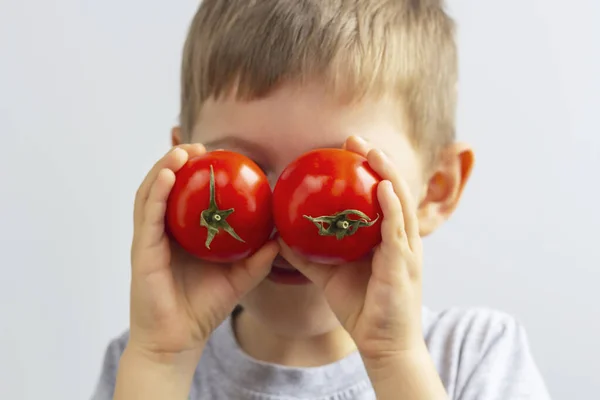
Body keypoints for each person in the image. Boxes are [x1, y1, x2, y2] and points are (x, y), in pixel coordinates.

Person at [92, 1, 551, 399]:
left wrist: (396, 359)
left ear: (436, 188)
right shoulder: (143, 361)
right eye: (243, 167)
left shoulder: (476, 356)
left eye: (340, 172)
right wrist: (161, 360)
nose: (288, 220)